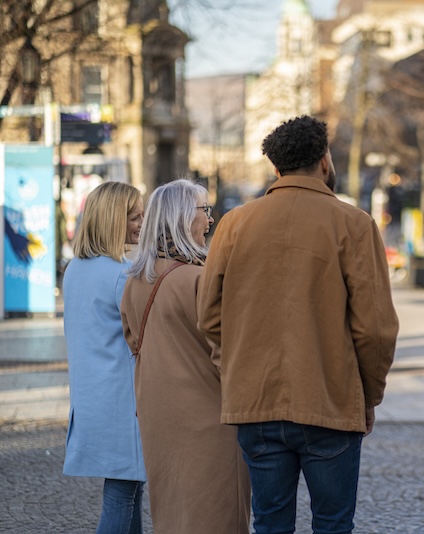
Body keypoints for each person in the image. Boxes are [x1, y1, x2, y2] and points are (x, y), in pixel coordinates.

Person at [197, 115, 399, 534]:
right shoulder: (354, 224)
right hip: (330, 398)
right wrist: (368, 395)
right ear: (324, 160)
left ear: (275, 168)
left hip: (255, 399)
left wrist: (235, 369)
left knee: (270, 523)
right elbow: (375, 328)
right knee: (333, 524)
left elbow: (209, 316)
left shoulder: (234, 224)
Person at [120, 179, 251, 534]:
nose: (210, 220)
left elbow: (133, 341)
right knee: (219, 514)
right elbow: (229, 351)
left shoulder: (136, 280)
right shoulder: (200, 280)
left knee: (172, 514)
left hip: (158, 415)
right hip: (210, 418)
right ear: (180, 216)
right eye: (204, 211)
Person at [62, 180, 146, 534]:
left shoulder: (74, 269)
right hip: (123, 400)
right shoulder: (121, 275)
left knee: (130, 491)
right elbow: (142, 338)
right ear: (114, 219)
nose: (142, 223)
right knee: (122, 495)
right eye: (135, 216)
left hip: (91, 397)